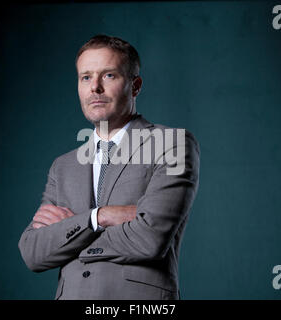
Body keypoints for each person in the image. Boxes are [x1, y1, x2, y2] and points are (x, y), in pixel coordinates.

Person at [18, 34, 200, 300]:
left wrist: (70, 232)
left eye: (109, 76)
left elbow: (149, 239)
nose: (95, 88)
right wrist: (98, 217)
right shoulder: (63, 165)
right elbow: (33, 252)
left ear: (135, 86)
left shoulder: (171, 144)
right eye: (86, 77)